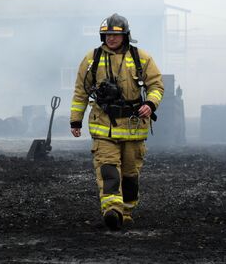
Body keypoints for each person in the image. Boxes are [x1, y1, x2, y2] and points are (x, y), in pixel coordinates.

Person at [70, 13, 164, 230]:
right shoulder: (92, 59)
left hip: (133, 127)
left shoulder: (141, 57)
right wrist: (76, 121)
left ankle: (127, 211)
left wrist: (150, 104)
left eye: (115, 35)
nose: (111, 38)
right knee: (108, 169)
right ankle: (112, 210)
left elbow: (156, 86)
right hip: (104, 126)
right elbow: (80, 92)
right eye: (107, 35)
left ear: (125, 35)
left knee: (130, 174)